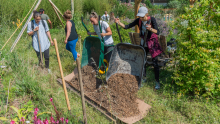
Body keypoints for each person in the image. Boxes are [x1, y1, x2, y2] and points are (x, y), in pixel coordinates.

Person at [115, 7, 163, 89]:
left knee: (155, 63)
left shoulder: (152, 19)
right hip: (143, 43)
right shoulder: (139, 21)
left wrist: (150, 28)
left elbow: (157, 31)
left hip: (152, 43)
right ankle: (143, 78)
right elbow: (127, 26)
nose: (141, 18)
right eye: (140, 16)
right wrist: (119, 22)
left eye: (142, 16)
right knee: (143, 62)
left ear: (146, 14)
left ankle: (157, 82)